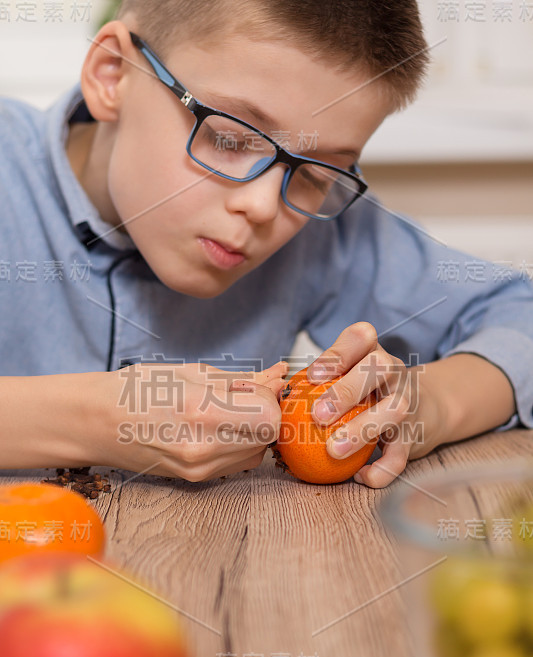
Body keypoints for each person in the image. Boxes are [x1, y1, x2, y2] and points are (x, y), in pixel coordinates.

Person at [0, 0, 531, 487]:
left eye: (318, 173)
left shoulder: (327, 233)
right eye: (231, 137)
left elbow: (519, 315)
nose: (262, 206)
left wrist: (433, 402)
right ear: (113, 73)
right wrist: (94, 418)